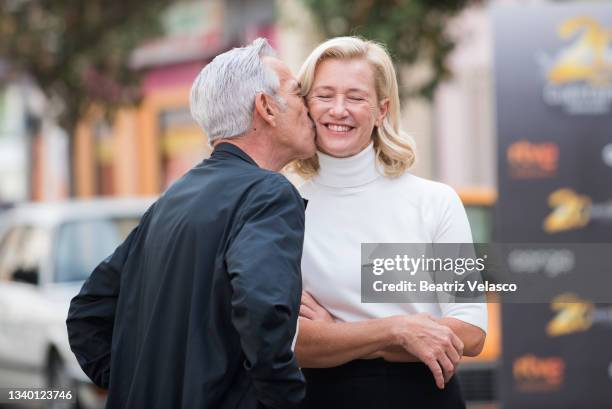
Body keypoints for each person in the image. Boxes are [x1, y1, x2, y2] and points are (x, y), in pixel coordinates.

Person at [66, 38, 315, 409]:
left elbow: (88, 313)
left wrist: (145, 384)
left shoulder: (173, 198)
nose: (310, 108)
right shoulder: (269, 193)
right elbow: (263, 315)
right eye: (298, 94)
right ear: (266, 107)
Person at [292, 37, 487, 409]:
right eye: (325, 95)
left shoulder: (434, 202)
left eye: (355, 97)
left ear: (381, 110)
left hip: (424, 398)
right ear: (306, 104)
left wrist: (338, 335)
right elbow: (295, 342)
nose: (339, 109)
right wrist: (398, 330)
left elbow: (472, 332)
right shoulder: (287, 210)